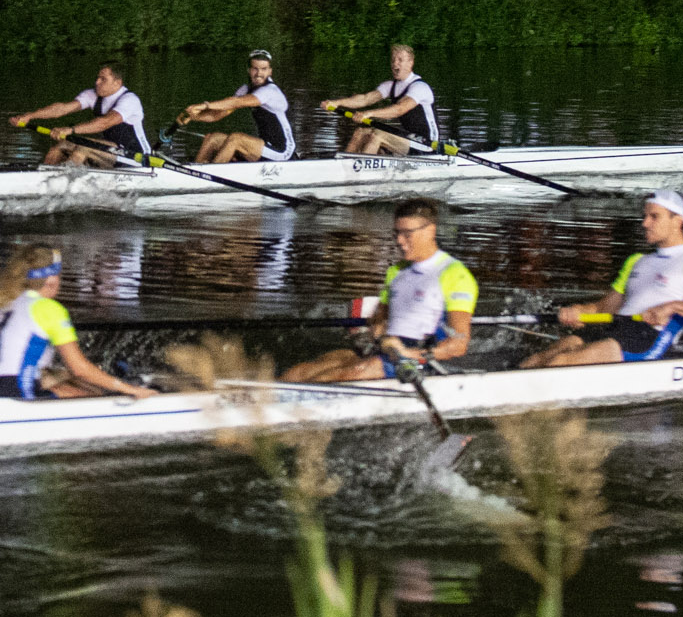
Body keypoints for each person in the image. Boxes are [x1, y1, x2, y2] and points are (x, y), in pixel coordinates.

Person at [521, 190, 683, 365]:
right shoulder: (636, 261)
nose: (645, 223)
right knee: (536, 360)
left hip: (645, 338)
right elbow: (603, 308)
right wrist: (578, 311)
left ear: (677, 221)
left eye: (654, 216)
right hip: (615, 327)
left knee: (560, 362)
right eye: (645, 216)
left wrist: (674, 307)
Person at [282, 199, 476, 382]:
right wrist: (379, 330)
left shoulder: (455, 276)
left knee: (336, 376)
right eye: (396, 234)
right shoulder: (397, 271)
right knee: (300, 372)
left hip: (425, 362)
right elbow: (380, 318)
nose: (399, 241)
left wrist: (410, 354)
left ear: (430, 232)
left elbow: (458, 345)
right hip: (392, 354)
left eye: (407, 234)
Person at [0, 246, 155, 399]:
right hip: (13, 393)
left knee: (67, 381)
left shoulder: (1, 303)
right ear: (52, 279)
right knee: (92, 394)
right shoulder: (49, 308)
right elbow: (79, 369)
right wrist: (129, 390)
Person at [15, 63, 151, 167]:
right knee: (60, 145)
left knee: (83, 148)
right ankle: (44, 177)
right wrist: (30, 116)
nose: (97, 82)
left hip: (136, 157)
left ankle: (65, 183)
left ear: (117, 83)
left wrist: (71, 130)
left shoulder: (130, 100)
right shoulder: (93, 95)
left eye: (103, 79)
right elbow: (62, 109)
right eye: (97, 77)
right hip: (110, 152)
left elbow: (105, 122)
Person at [178, 48, 296, 164]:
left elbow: (236, 102)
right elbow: (217, 115)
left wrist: (205, 105)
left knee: (236, 138)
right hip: (263, 146)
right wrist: (192, 116)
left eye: (264, 69)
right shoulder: (245, 89)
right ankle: (196, 171)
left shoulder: (270, 91)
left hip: (282, 151)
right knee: (212, 138)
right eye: (255, 69)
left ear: (270, 71)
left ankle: (214, 174)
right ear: (249, 70)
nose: (259, 73)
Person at [321, 43, 439, 155]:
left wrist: (368, 113)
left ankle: (361, 169)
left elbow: (399, 109)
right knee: (360, 132)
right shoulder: (390, 86)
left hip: (428, 144)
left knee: (378, 135)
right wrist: (336, 103)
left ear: (410, 63)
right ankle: (346, 163)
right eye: (393, 60)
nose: (394, 63)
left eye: (400, 60)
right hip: (409, 138)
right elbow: (365, 99)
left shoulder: (420, 87)